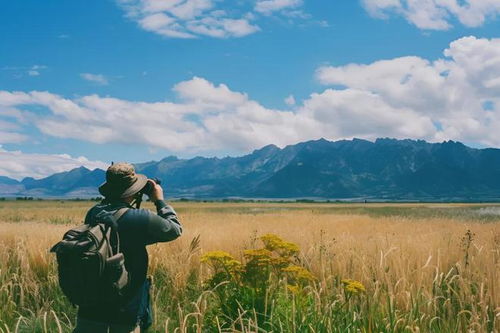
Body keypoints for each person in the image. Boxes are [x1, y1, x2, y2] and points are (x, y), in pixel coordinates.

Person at [73, 162, 182, 333]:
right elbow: (174, 230)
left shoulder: (94, 212)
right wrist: (159, 200)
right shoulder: (140, 218)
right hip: (126, 307)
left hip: (91, 304)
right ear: (134, 189)